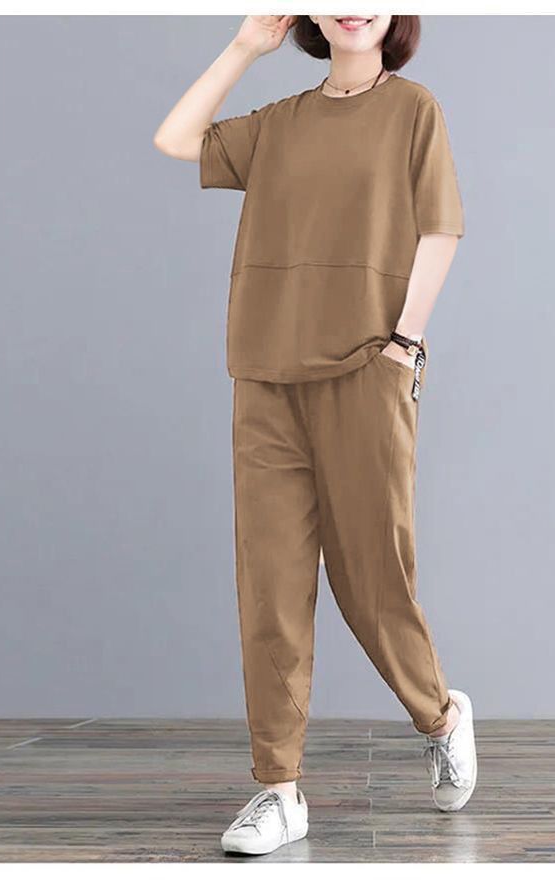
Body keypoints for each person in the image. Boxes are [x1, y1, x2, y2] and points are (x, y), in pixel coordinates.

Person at [154, 15, 477, 856]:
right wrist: (244, 47)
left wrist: (403, 341)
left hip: (367, 367)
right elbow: (175, 138)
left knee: (373, 577)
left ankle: (440, 715)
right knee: (270, 585)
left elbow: (440, 227)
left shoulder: (413, 110)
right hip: (265, 376)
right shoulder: (279, 124)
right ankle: (279, 788)